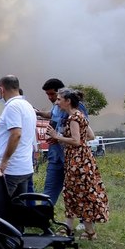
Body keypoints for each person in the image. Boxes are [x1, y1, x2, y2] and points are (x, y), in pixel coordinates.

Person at [46, 88, 108, 240]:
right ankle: (68, 228)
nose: (57, 102)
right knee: (74, 193)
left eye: (59, 99)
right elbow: (90, 135)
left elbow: (76, 140)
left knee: (77, 193)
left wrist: (57, 136)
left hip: (77, 161)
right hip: (82, 158)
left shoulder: (73, 118)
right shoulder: (80, 115)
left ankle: (90, 233)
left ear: (68, 101)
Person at [35, 78, 88, 205]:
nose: (50, 97)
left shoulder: (77, 107)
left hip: (71, 154)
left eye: (52, 94)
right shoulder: (56, 106)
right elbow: (52, 115)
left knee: (76, 188)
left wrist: (58, 136)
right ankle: (44, 217)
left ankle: (83, 220)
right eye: (47, 94)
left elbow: (84, 129)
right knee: (50, 187)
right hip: (55, 154)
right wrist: (37, 113)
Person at [0, 75, 37, 197]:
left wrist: (4, 162)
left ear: (1, 89)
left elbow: (16, 134)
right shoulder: (28, 106)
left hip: (11, 169)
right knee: (19, 208)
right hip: (25, 168)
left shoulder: (12, 107)